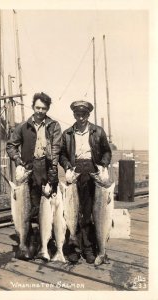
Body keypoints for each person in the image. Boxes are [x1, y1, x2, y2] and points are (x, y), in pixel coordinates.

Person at [6, 92, 62, 259]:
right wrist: (18, 160)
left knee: (48, 207)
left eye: (43, 108)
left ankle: (47, 243)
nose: (40, 111)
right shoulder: (23, 127)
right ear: (33, 107)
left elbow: (56, 150)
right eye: (37, 107)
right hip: (29, 169)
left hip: (47, 168)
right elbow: (11, 146)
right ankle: (30, 242)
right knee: (29, 208)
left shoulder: (54, 126)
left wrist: (52, 175)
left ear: (47, 109)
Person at [59, 100, 112, 264]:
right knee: (72, 211)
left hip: (92, 171)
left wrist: (103, 165)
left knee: (89, 212)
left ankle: (89, 248)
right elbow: (62, 154)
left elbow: (106, 152)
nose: (80, 118)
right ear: (74, 114)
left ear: (88, 115)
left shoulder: (98, 131)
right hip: (75, 171)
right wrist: (67, 167)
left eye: (84, 114)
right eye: (77, 114)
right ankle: (74, 248)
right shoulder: (67, 133)